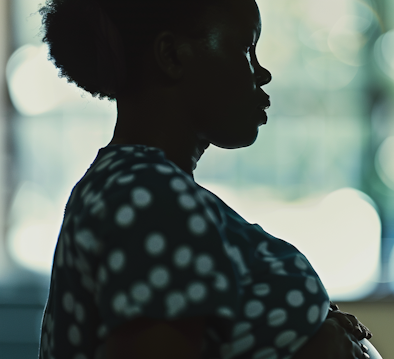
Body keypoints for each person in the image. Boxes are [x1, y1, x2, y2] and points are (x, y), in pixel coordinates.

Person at [36, 0, 374, 358]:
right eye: (246, 49)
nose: (262, 73)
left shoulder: (139, 187)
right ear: (171, 56)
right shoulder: (149, 198)